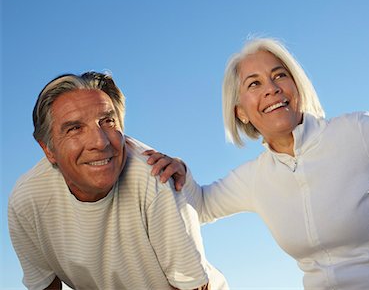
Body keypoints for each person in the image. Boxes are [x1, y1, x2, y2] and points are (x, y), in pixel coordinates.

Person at [146, 38, 369, 289]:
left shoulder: (359, 133)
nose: (271, 88)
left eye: (279, 75)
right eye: (254, 83)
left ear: (296, 86)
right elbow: (199, 206)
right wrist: (180, 172)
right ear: (241, 112)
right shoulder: (254, 179)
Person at [8, 72, 228, 290]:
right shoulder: (27, 200)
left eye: (107, 121)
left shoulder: (155, 179)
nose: (100, 142)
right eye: (75, 128)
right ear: (48, 149)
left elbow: (193, 287)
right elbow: (45, 286)